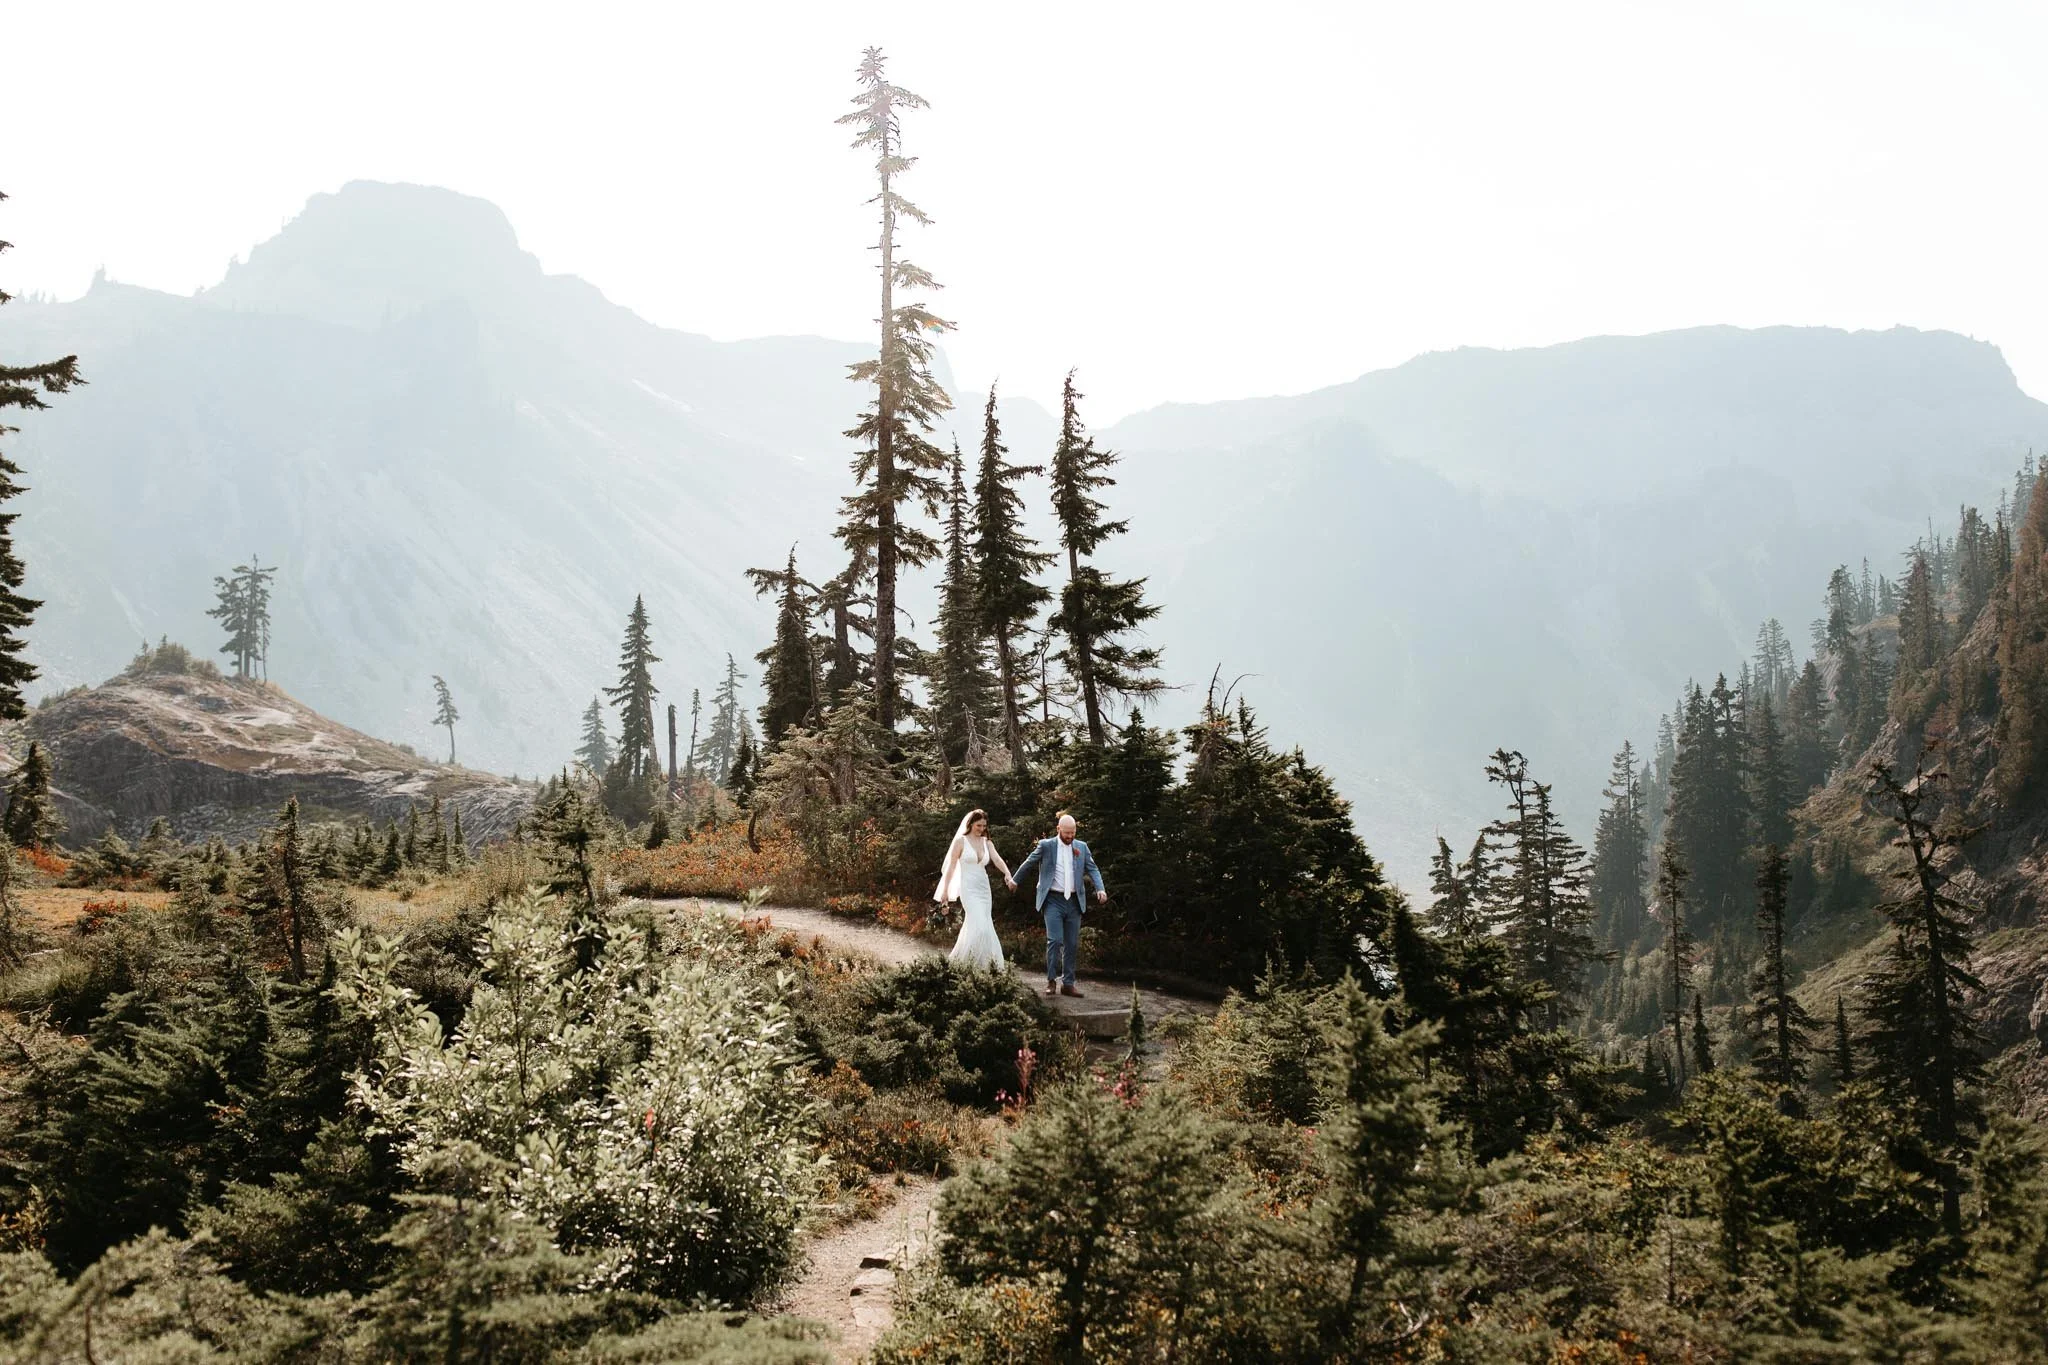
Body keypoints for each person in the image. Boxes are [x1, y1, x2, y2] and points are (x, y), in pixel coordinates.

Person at [1009, 813, 1106, 997]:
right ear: (1058, 829)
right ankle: (1051, 980)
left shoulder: (1081, 847)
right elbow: (1029, 862)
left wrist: (1100, 889)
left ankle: (1068, 984)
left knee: (1071, 944)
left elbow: (1093, 868)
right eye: (1067, 832)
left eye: (1073, 832)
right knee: (1055, 941)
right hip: (1053, 899)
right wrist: (1015, 880)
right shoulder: (1047, 845)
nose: (1070, 836)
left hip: (1075, 902)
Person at [933, 807, 1011, 971]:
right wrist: (945, 891)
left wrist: (1007, 874)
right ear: (970, 824)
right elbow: (951, 867)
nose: (981, 829)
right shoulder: (960, 841)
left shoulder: (986, 842)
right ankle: (969, 963)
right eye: (978, 826)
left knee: (983, 925)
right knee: (980, 927)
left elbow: (997, 859)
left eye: (984, 826)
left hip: (984, 889)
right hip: (968, 888)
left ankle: (983, 967)